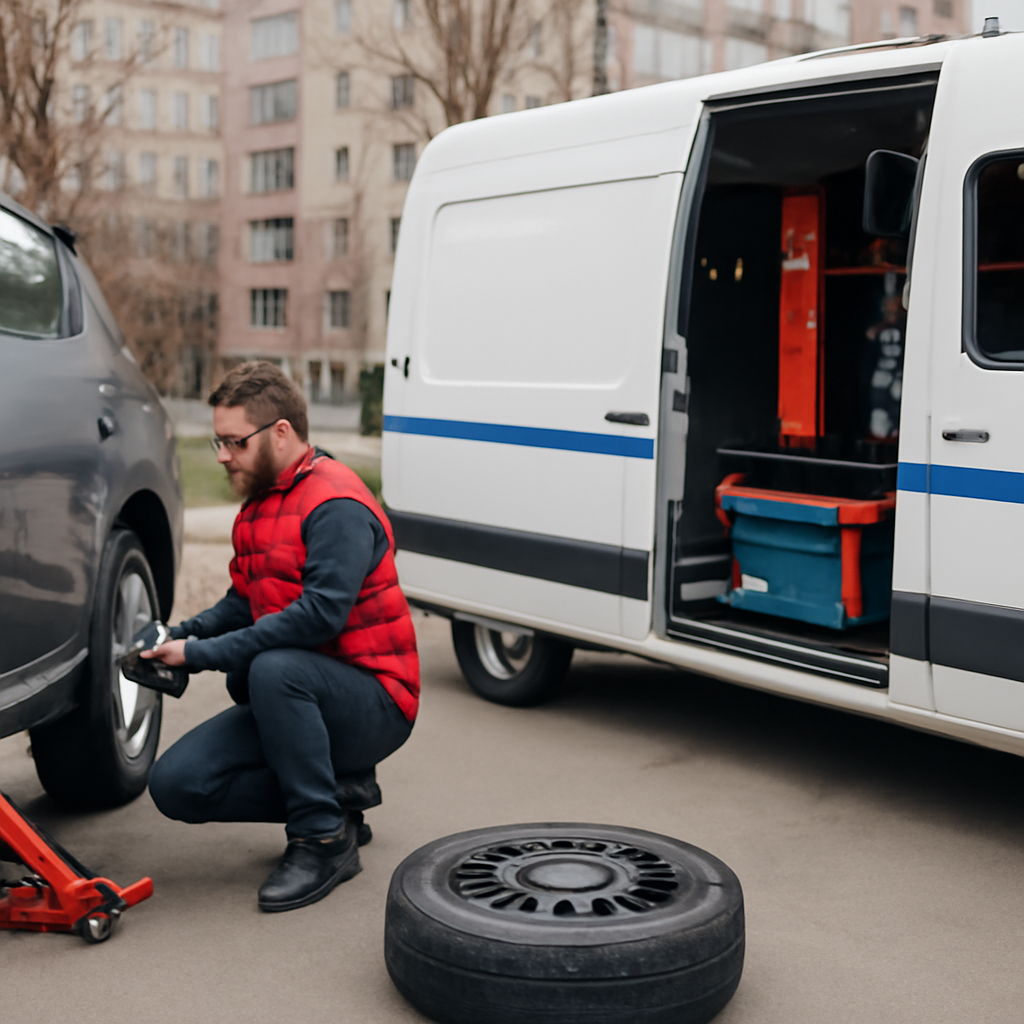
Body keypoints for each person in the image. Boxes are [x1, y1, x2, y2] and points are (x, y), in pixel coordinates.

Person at [143, 361, 419, 912]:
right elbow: (244, 601)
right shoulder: (262, 500)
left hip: (377, 700)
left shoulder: (335, 504)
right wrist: (177, 635)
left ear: (281, 433)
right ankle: (342, 795)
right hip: (305, 692)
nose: (222, 455)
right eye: (217, 441)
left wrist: (197, 656)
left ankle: (321, 837)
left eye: (233, 442)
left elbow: (318, 618)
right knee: (176, 785)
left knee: (268, 668)